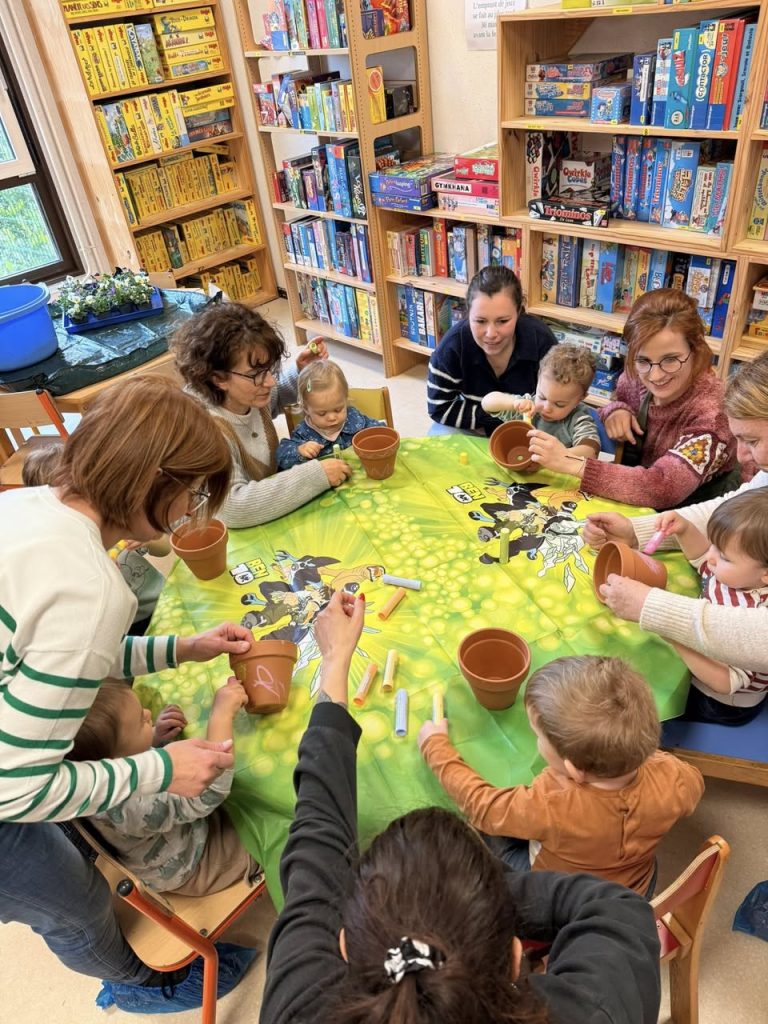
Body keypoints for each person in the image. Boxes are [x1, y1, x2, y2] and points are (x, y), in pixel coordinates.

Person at [259, 593, 662, 1024]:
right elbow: (621, 909)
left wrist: (336, 660)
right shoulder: (593, 1009)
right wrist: (477, 897)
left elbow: (316, 836)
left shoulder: (298, 1005)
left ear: (342, 945)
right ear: (515, 955)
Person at [0, 376, 257, 1009]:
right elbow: (16, 790)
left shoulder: (28, 505)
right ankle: (141, 982)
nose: (191, 512)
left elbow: (58, 660)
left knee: (75, 851)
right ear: (153, 487)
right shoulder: (89, 586)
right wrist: (157, 767)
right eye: (192, 494)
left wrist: (182, 647)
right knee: (74, 905)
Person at [419, 655, 703, 897]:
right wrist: (643, 754)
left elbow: (483, 807)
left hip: (559, 894)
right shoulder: (674, 777)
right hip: (635, 887)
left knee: (481, 822)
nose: (537, 741)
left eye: (538, 736)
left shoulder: (551, 803)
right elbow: (694, 784)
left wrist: (436, 746)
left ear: (573, 770)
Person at [583, 351, 768, 692]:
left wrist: (655, 609)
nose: (742, 456)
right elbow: (737, 508)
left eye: (753, 441)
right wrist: (636, 531)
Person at [529, 289, 738, 510]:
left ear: (695, 350)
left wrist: (568, 462)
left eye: (671, 360)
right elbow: (620, 400)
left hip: (697, 509)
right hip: (636, 491)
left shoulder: (713, 414)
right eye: (643, 360)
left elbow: (663, 487)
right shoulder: (635, 376)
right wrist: (617, 410)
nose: (655, 376)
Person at [69, 678, 260, 893]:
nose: (149, 713)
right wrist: (221, 715)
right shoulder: (131, 803)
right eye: (141, 721)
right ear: (117, 761)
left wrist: (153, 736)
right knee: (271, 833)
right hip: (193, 864)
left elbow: (123, 751)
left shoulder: (92, 774)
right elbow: (211, 791)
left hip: (182, 829)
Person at [172, 302, 351, 528]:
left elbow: (272, 397)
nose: (270, 381)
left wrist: (300, 371)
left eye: (269, 369)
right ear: (218, 379)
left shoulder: (246, 395)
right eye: (256, 374)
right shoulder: (203, 429)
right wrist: (316, 475)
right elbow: (233, 507)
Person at [635, 489, 768, 726]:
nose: (712, 557)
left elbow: (725, 681)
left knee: (647, 704)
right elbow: (703, 559)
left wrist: (672, 633)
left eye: (724, 556)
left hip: (720, 701)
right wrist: (685, 530)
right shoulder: (736, 573)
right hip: (705, 664)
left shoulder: (753, 612)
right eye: (715, 546)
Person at [21, 438, 167, 636]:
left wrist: (148, 540)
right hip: (129, 625)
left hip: (164, 597)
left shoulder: (113, 523)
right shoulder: (66, 550)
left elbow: (165, 548)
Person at [427, 266, 557, 435]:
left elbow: (559, 399)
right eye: (480, 321)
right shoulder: (450, 349)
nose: (491, 334)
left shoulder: (543, 342)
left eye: (502, 321)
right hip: (476, 426)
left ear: (518, 312)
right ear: (468, 313)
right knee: (439, 437)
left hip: (533, 426)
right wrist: (495, 417)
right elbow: (439, 408)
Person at [481, 342, 600, 459]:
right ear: (538, 379)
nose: (546, 408)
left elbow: (590, 452)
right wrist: (513, 403)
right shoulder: (527, 406)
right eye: (542, 397)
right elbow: (487, 402)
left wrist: (555, 456)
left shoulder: (578, 420)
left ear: (580, 399)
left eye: (559, 404)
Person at [276, 359, 384, 469]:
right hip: (327, 483)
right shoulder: (303, 433)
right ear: (306, 408)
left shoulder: (353, 417)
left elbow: (380, 430)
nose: (332, 418)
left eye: (338, 410)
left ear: (345, 399)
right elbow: (282, 458)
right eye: (322, 413)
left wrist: (377, 436)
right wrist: (300, 451)